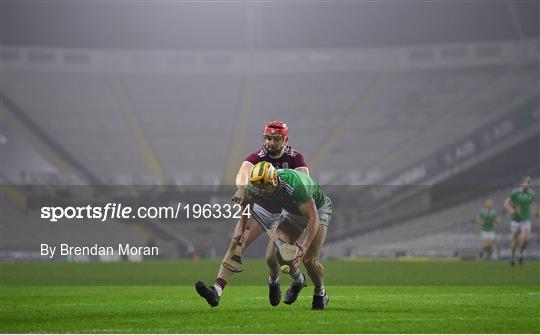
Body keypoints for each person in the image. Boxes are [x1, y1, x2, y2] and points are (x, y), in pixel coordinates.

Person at [195, 121, 309, 307]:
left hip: (286, 214)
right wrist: (241, 189)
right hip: (262, 210)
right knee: (236, 244)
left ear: (285, 139)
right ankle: (216, 290)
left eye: (275, 139)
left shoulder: (296, 158)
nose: (270, 142)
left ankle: (280, 280)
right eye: (267, 138)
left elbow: (304, 181)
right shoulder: (258, 156)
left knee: (273, 258)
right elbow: (243, 172)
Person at [247, 161, 332, 310]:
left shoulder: (295, 185)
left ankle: (320, 292)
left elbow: (313, 217)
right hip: (293, 212)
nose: (261, 191)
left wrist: (304, 245)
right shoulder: (256, 188)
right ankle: (299, 280)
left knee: (309, 260)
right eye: (257, 186)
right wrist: (242, 228)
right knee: (279, 251)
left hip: (317, 210)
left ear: (273, 180)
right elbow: (246, 203)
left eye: (264, 186)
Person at [503, 176, 538, 266]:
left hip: (525, 219)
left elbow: (532, 204)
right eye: (524, 182)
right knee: (515, 240)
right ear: (521, 183)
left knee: (525, 239)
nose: (526, 184)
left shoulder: (532, 193)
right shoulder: (515, 193)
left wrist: (536, 213)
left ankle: (520, 254)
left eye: (528, 182)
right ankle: (512, 256)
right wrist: (512, 210)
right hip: (515, 220)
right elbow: (506, 203)